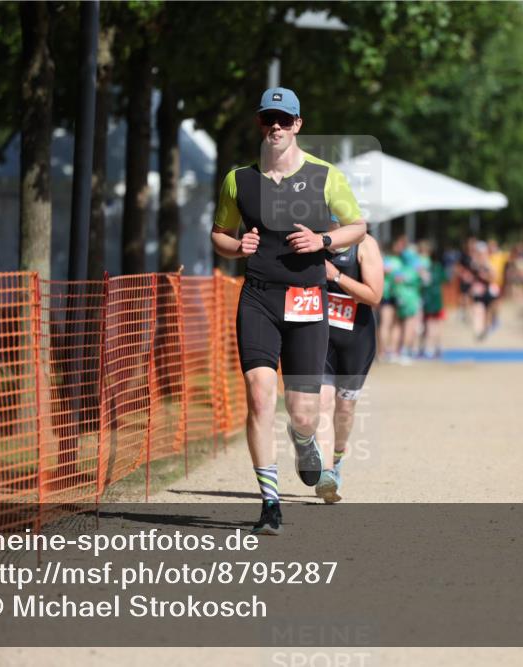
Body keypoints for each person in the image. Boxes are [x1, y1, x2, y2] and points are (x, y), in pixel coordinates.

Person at [210, 87, 366, 535]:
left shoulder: (325, 175)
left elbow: (358, 227)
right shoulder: (238, 179)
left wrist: (323, 241)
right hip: (258, 297)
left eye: (283, 119)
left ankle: (303, 438)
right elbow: (219, 235)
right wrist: (237, 247)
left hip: (306, 297)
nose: (275, 127)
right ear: (260, 124)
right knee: (260, 396)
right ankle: (270, 503)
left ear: (297, 124)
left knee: (303, 412)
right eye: (268, 119)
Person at [315, 232, 384, 503]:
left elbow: (374, 296)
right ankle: (326, 474)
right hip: (321, 337)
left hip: (356, 340)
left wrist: (336, 276)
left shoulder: (364, 245)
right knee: (322, 402)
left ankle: (336, 457)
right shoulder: (311, 238)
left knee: (344, 408)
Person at [419, 240, 446, 358]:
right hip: (436, 299)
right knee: (435, 324)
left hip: (430, 299)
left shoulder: (427, 267)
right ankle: (437, 347)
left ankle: (429, 348)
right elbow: (444, 279)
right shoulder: (437, 266)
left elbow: (426, 282)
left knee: (430, 324)